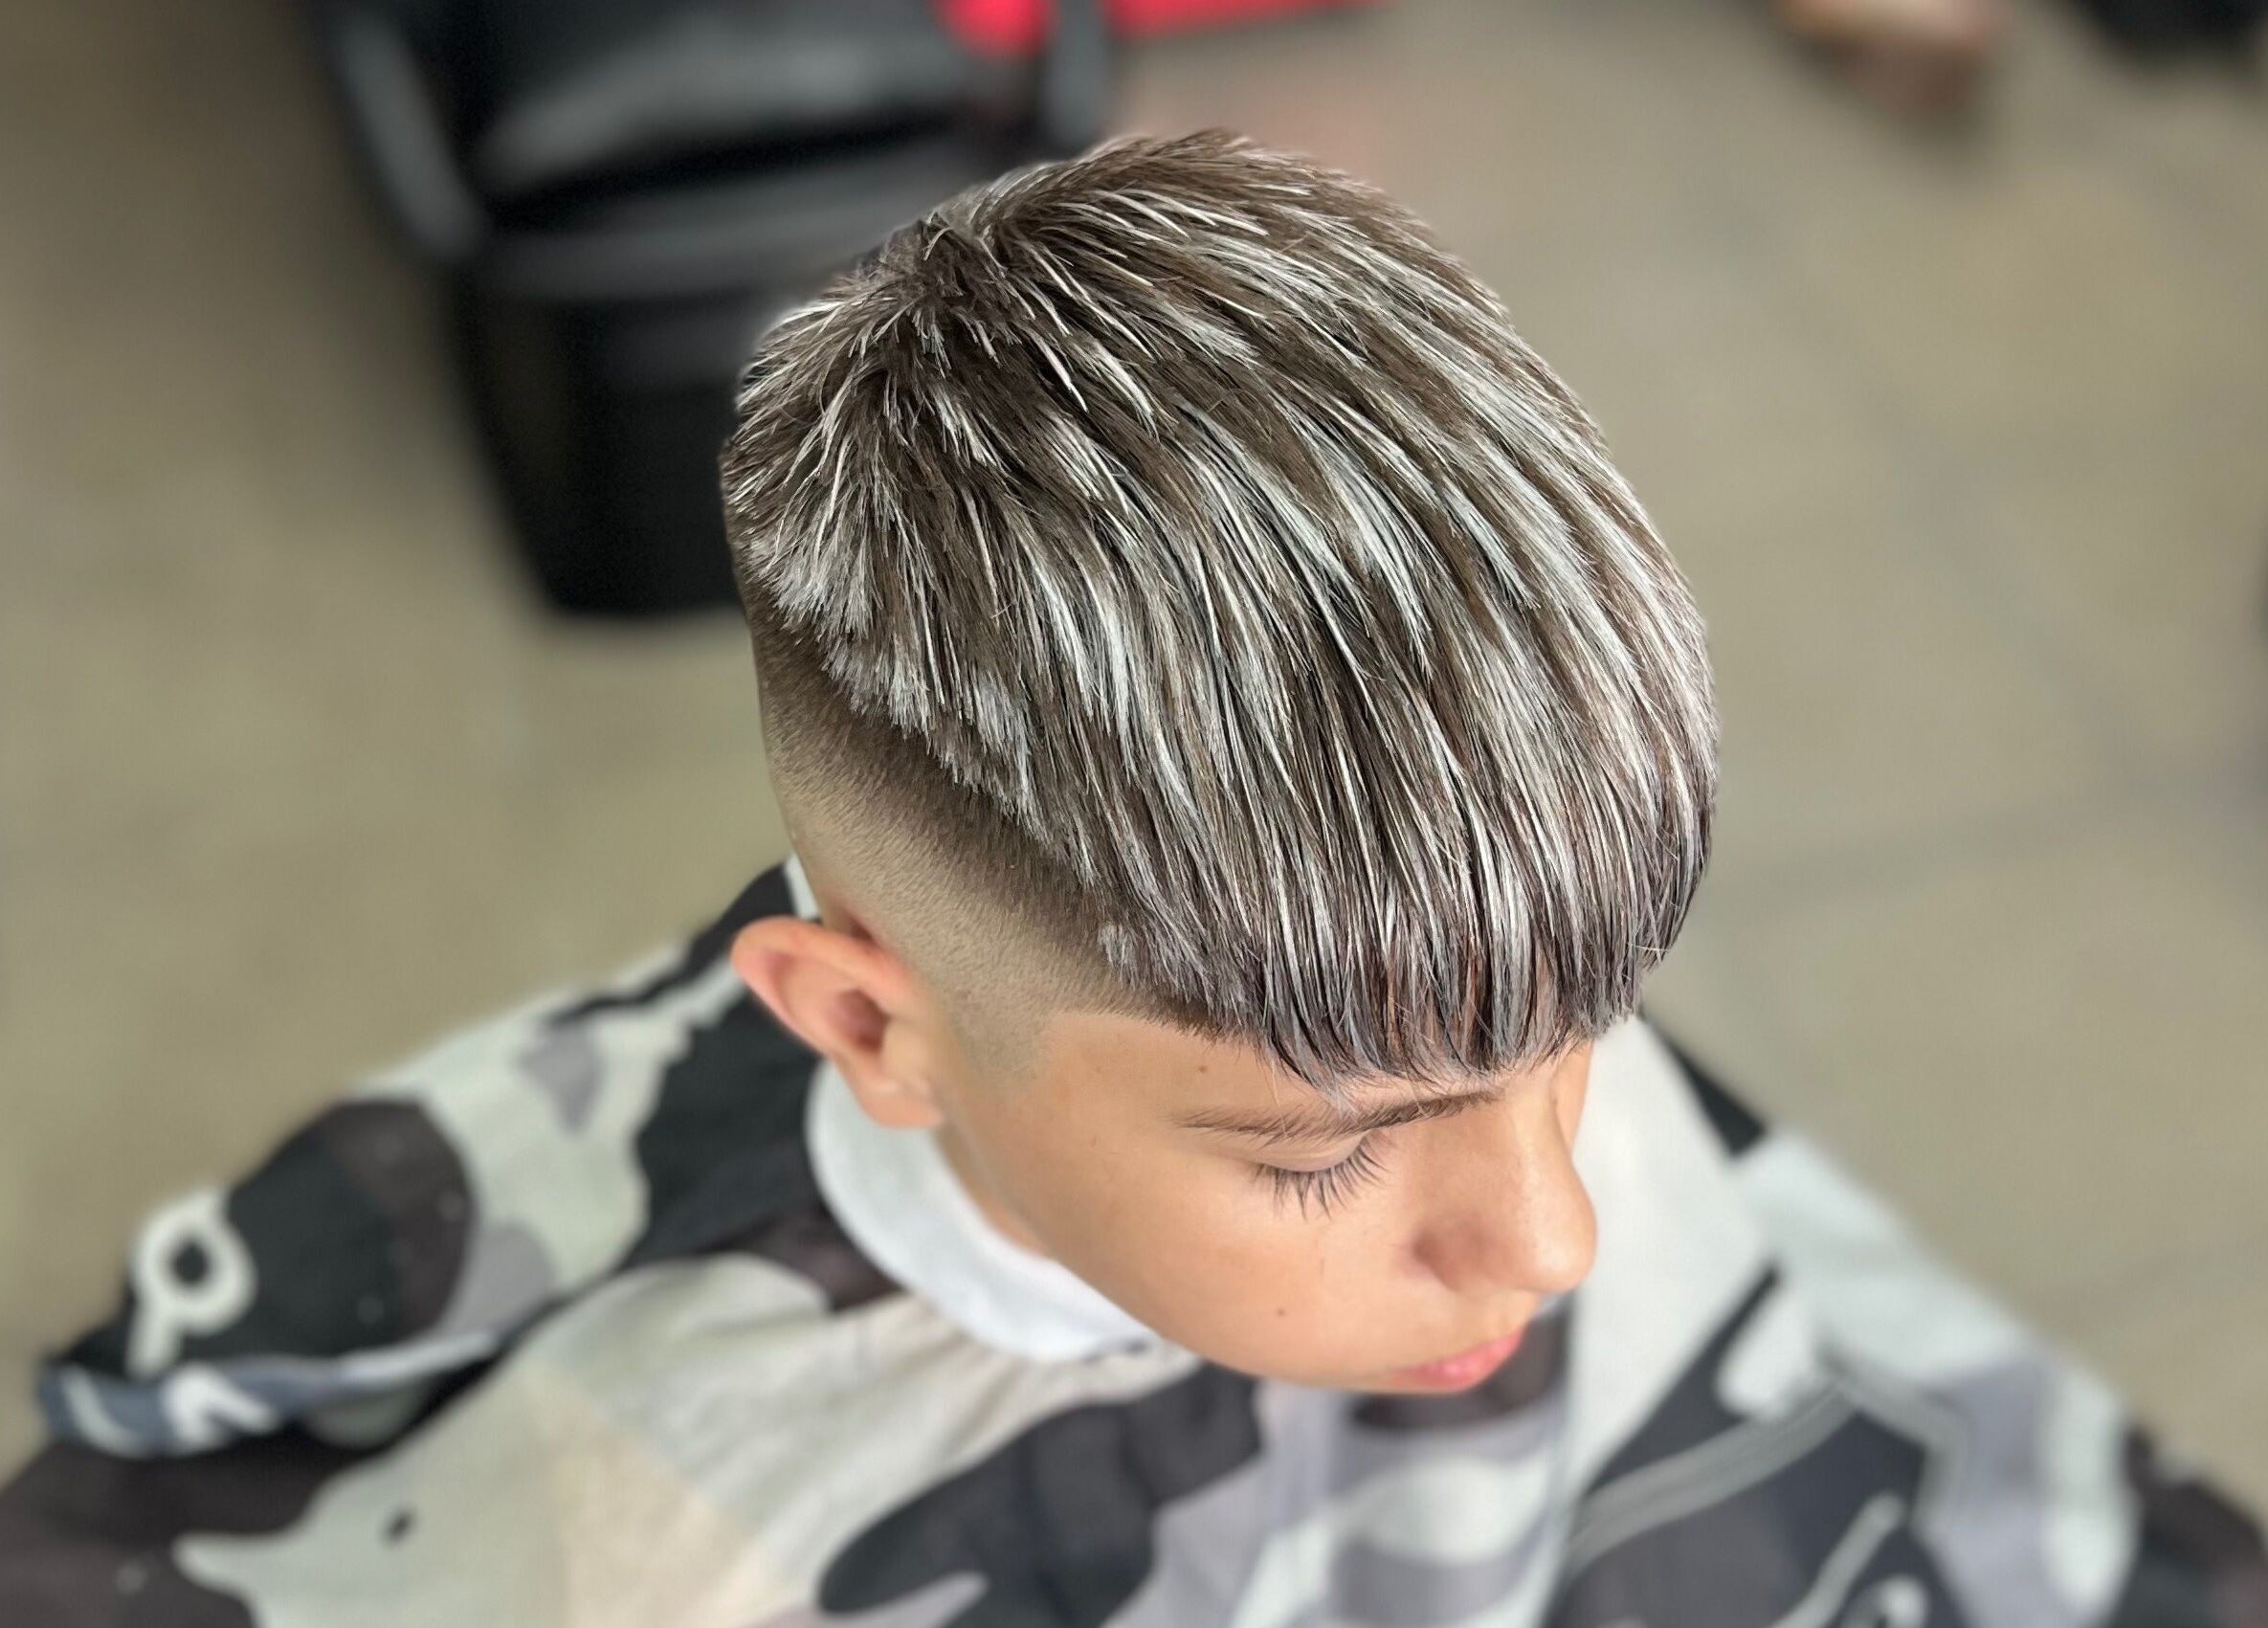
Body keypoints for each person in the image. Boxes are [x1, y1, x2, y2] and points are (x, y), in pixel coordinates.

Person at [2, 131, 2260, 1627]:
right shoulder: (643, 1533)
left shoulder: (1418, 1007)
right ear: (862, 1020)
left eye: (1587, 1036)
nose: (1555, 1229)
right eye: (1328, 1152)